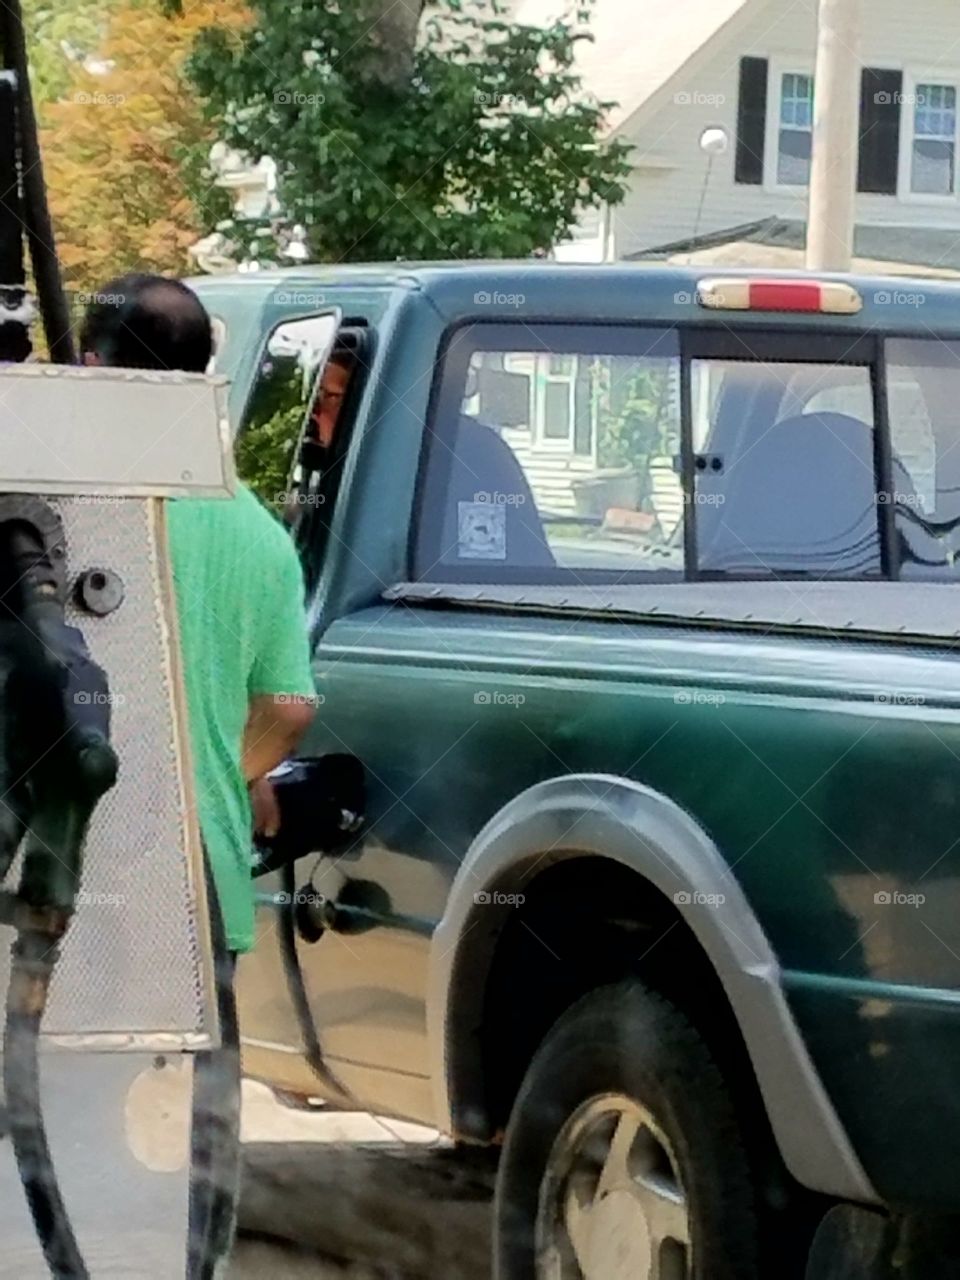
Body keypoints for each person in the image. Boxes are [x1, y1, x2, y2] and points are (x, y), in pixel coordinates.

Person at [80, 273, 316, 1279]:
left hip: (62, 882)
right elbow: (290, 706)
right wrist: (230, 765)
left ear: (91, 370)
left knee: (55, 1124)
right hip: (195, 879)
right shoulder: (254, 530)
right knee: (193, 1135)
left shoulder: (47, 511)